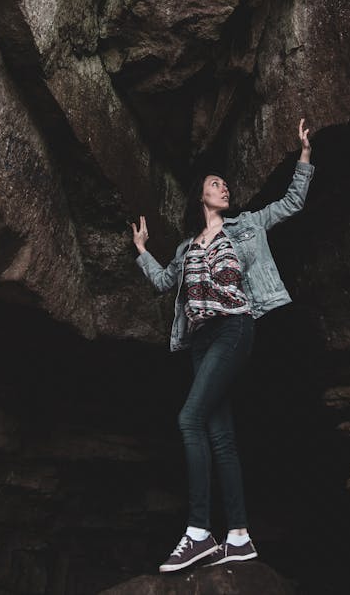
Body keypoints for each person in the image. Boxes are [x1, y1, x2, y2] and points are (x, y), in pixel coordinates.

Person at [131, 118, 314, 573]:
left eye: (226, 184)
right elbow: (161, 283)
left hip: (234, 328)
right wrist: (140, 250)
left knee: (189, 418)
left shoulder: (248, 225)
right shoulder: (184, 248)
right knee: (219, 435)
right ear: (201, 196)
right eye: (217, 184)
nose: (225, 188)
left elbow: (292, 202)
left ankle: (198, 533)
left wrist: (305, 157)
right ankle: (238, 536)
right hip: (200, 342)